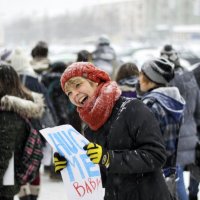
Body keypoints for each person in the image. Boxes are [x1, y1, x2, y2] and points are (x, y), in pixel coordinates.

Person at [53, 62, 172, 200]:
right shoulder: (90, 128)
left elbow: (156, 156)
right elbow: (100, 176)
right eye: (69, 93)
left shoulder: (133, 108)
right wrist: (70, 166)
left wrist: (109, 158)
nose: (74, 94)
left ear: (95, 81)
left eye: (78, 85)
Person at [137, 58, 185, 200]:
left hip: (151, 173)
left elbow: (140, 143)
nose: (139, 78)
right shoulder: (176, 100)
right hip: (170, 170)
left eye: (141, 74)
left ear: (150, 79)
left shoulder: (150, 104)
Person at [160, 45, 200, 200]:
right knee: (186, 174)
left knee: (177, 179)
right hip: (191, 133)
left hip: (174, 135)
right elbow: (198, 110)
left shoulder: (167, 82)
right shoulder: (190, 79)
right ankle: (193, 194)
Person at [0, 63, 44, 200]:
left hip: (4, 185)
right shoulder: (18, 110)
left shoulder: (8, 115)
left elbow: (3, 154)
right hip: (8, 181)